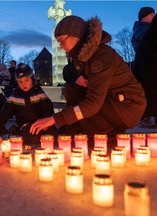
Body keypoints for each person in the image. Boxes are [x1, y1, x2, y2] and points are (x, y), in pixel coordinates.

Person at [30, 15, 146, 144]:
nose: (61, 46)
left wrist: (54, 119)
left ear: (75, 36)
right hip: (112, 100)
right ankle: (74, 134)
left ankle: (107, 136)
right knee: (72, 90)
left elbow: (93, 103)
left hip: (128, 106)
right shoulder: (86, 58)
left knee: (85, 101)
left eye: (62, 41)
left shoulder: (101, 57)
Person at [0, 63, 58, 146]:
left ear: (32, 79)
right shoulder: (14, 97)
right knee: (30, 135)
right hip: (26, 126)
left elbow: (48, 109)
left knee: (54, 134)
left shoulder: (39, 94)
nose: (24, 84)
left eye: (27, 80)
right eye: (20, 81)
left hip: (41, 124)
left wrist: (46, 123)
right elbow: (4, 114)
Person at [131, 6, 155, 128]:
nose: (153, 17)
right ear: (144, 17)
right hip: (145, 67)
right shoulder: (141, 29)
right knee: (148, 91)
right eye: (152, 15)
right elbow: (147, 43)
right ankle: (148, 117)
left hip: (148, 66)